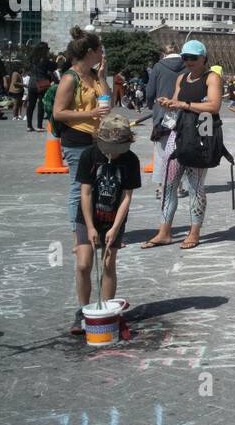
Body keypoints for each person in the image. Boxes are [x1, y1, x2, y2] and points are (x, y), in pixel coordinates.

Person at [143, 39, 222, 250]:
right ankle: (164, 232)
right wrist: (168, 104)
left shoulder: (211, 77)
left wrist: (183, 104)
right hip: (178, 133)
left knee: (195, 186)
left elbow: (214, 105)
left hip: (200, 136)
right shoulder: (181, 78)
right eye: (185, 58)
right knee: (169, 185)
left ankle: (194, 232)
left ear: (203, 58)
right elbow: (176, 104)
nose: (188, 62)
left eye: (193, 58)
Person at [71, 113, 140, 338]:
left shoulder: (131, 160)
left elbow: (126, 198)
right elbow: (85, 192)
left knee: (108, 262)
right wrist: (90, 227)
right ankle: (82, 310)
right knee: (83, 264)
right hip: (88, 216)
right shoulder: (89, 156)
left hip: (114, 217)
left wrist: (114, 228)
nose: (113, 152)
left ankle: (107, 310)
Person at [52, 27, 111, 229]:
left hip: (96, 139)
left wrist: (102, 77)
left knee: (96, 188)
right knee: (79, 188)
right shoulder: (70, 78)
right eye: (99, 50)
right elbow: (58, 112)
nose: (102, 54)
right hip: (76, 139)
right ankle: (79, 235)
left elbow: (107, 100)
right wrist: (90, 114)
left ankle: (92, 229)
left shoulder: (94, 75)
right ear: (89, 52)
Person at [145, 42, 185, 198]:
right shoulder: (187, 65)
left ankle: (162, 188)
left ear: (163, 54)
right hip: (184, 113)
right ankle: (179, 186)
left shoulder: (159, 66)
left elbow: (150, 92)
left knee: (162, 151)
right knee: (180, 150)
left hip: (163, 113)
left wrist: (151, 106)